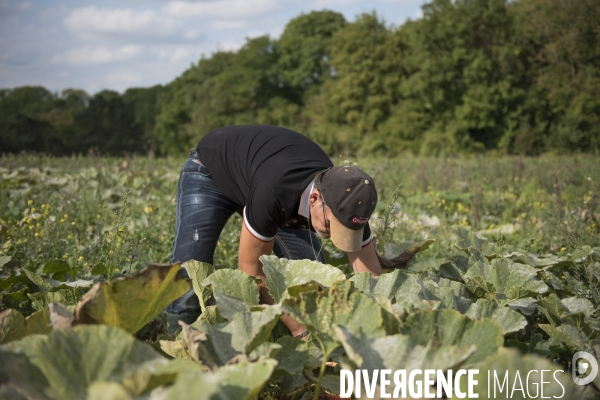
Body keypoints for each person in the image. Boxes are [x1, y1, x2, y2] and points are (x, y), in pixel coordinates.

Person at [166, 125, 382, 336]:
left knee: (310, 279)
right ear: (314, 199)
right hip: (211, 170)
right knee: (189, 272)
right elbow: (251, 271)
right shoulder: (276, 194)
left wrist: (378, 327)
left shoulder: (347, 201)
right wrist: (302, 330)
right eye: (330, 225)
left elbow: (371, 278)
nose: (335, 233)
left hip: (262, 175)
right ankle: (176, 341)